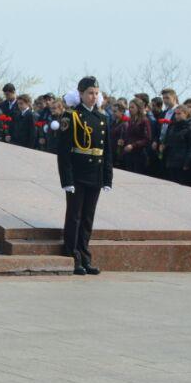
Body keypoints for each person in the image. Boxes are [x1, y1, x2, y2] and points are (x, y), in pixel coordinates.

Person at [56, 76, 112, 275]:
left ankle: (85, 257)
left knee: (88, 217)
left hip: (95, 174)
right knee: (75, 216)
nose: (93, 97)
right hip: (77, 174)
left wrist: (107, 178)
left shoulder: (102, 118)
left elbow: (107, 152)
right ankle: (73, 256)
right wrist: (67, 180)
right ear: (80, 94)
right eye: (90, 93)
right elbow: (63, 152)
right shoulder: (71, 116)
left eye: (96, 93)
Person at [160, 104, 191, 184]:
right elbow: (170, 140)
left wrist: (187, 162)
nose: (176, 116)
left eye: (179, 114)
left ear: (186, 114)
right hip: (172, 160)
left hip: (182, 162)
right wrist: (164, 145)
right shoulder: (174, 126)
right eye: (176, 114)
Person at [113, 98, 152, 174]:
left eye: (132, 107)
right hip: (129, 154)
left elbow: (147, 139)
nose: (130, 109)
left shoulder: (144, 120)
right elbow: (129, 136)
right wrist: (123, 141)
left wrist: (133, 145)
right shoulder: (131, 120)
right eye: (129, 107)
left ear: (139, 108)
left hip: (139, 154)